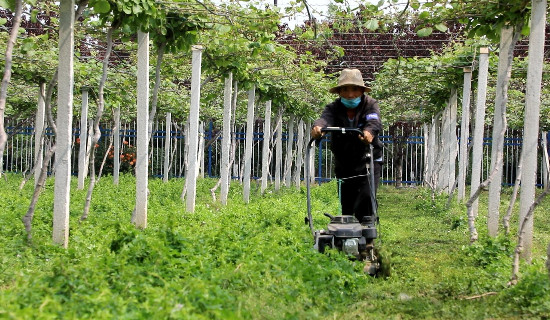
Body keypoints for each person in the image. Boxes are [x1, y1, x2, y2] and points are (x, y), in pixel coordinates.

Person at [311, 68, 383, 224]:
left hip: (368, 160)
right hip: (344, 162)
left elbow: (374, 122)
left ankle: (367, 233)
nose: (350, 95)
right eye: (345, 90)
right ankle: (348, 235)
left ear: (362, 90)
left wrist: (368, 133)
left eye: (355, 89)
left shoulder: (370, 104)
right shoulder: (334, 108)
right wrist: (318, 128)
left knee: (366, 197)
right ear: (339, 92)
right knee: (347, 202)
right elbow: (325, 119)